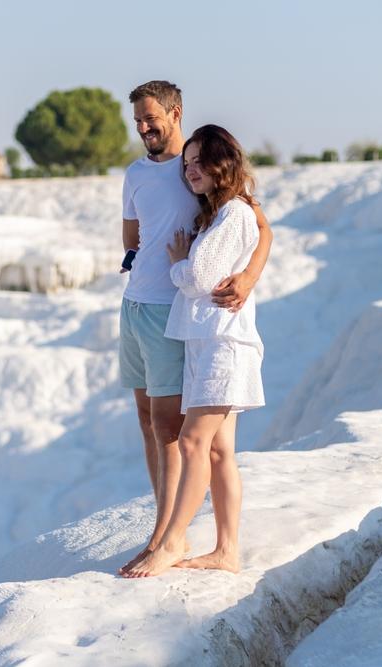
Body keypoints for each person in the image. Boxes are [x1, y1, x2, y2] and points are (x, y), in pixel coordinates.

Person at [117, 81, 273, 575]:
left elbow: (260, 228)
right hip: (136, 307)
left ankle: (168, 537)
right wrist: (143, 263)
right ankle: (175, 534)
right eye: (137, 120)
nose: (144, 127)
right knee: (149, 422)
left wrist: (247, 278)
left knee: (175, 431)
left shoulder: (206, 170)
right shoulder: (140, 174)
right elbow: (133, 239)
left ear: (175, 112)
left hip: (181, 316)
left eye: (150, 118)